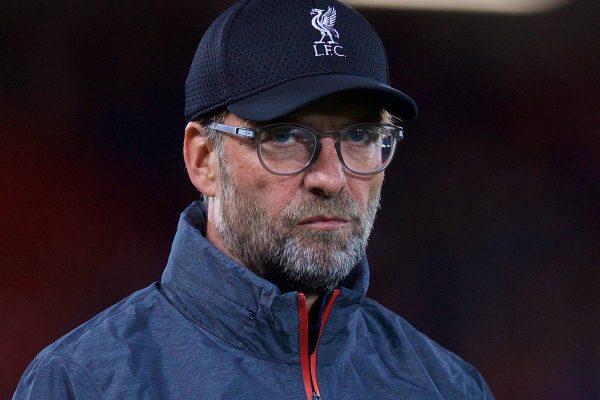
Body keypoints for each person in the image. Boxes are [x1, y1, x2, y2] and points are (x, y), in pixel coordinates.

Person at [14, 0, 494, 399]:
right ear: (203, 160)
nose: (330, 176)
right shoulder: (83, 383)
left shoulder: (448, 387)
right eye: (285, 136)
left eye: (362, 135)